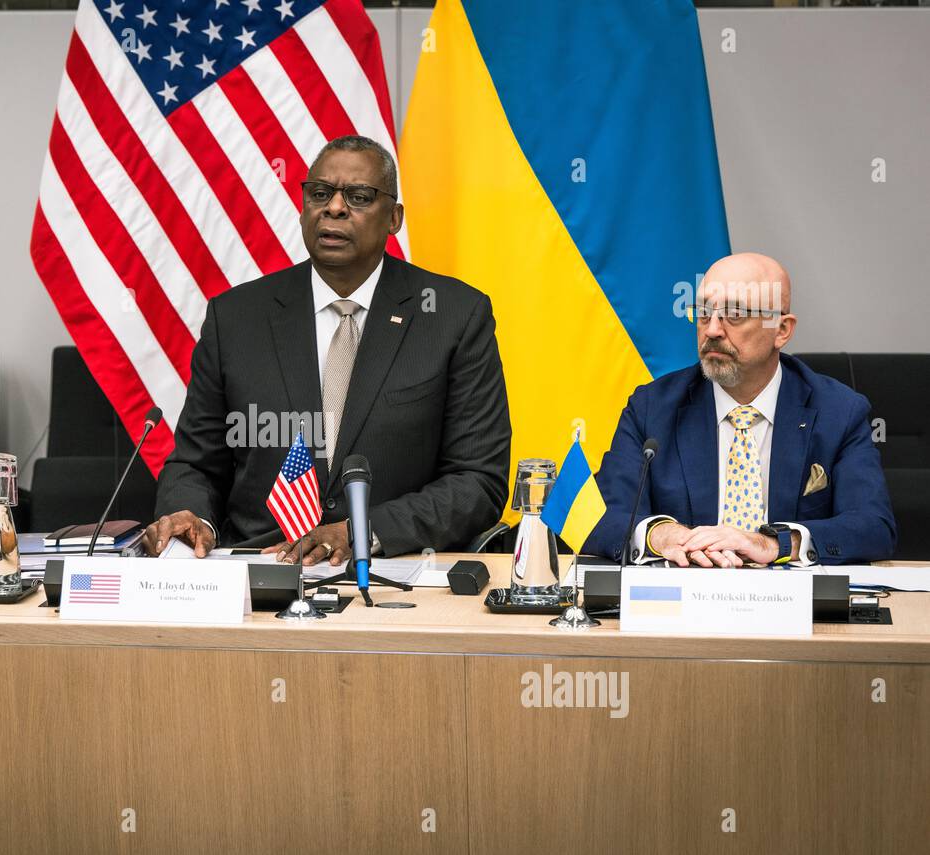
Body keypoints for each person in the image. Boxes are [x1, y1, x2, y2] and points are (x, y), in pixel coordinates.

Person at [144, 135, 511, 564]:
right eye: (320, 193)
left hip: (395, 572)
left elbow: (476, 480)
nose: (334, 208)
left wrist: (362, 531)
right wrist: (193, 517)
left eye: (358, 196)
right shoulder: (236, 317)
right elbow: (196, 463)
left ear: (393, 219)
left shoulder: (454, 316)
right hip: (259, 570)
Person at [583, 252, 895, 567]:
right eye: (704, 312)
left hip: (791, 606)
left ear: (782, 330)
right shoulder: (652, 408)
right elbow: (602, 517)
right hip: (681, 600)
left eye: (734, 314)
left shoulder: (838, 412)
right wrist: (657, 535)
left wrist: (775, 543)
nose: (713, 330)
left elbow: (873, 527)